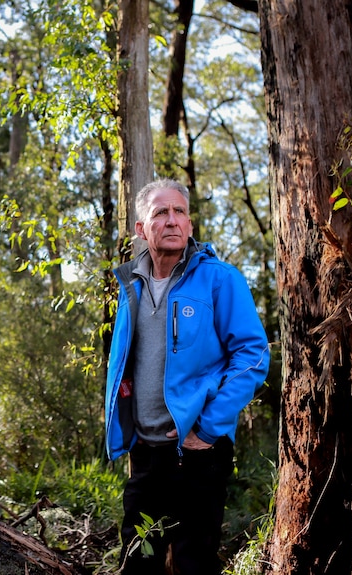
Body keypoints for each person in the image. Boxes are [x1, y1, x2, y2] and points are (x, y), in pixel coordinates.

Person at [104, 179, 270, 575]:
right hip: (146, 451)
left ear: (191, 225)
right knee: (138, 561)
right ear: (142, 229)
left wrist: (209, 430)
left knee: (194, 563)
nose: (172, 220)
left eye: (179, 212)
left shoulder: (219, 278)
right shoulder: (131, 286)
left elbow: (253, 355)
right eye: (161, 213)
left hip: (199, 452)